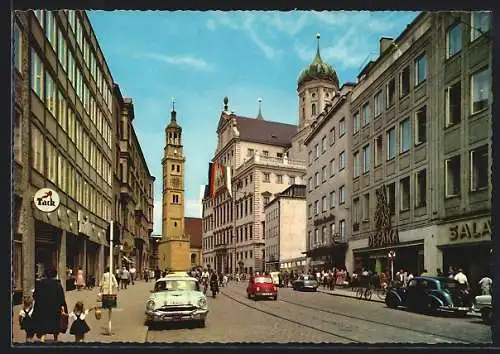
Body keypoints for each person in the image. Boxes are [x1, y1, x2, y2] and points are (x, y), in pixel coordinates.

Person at [32, 268, 68, 343]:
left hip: (42, 309)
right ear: (55, 275)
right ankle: (55, 339)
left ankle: (42, 339)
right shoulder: (57, 285)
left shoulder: (40, 284)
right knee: (55, 326)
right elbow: (61, 298)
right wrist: (62, 307)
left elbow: (35, 296)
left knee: (43, 326)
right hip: (54, 310)